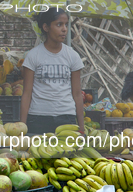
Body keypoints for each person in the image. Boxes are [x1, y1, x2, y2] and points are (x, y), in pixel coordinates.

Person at [20, 8, 85, 136]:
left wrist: (81, 128)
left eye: (66, 25)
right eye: (59, 24)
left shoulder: (72, 56)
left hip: (67, 118)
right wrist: (22, 128)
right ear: (46, 27)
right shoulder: (33, 56)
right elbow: (26, 94)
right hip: (38, 118)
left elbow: (77, 94)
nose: (64, 29)